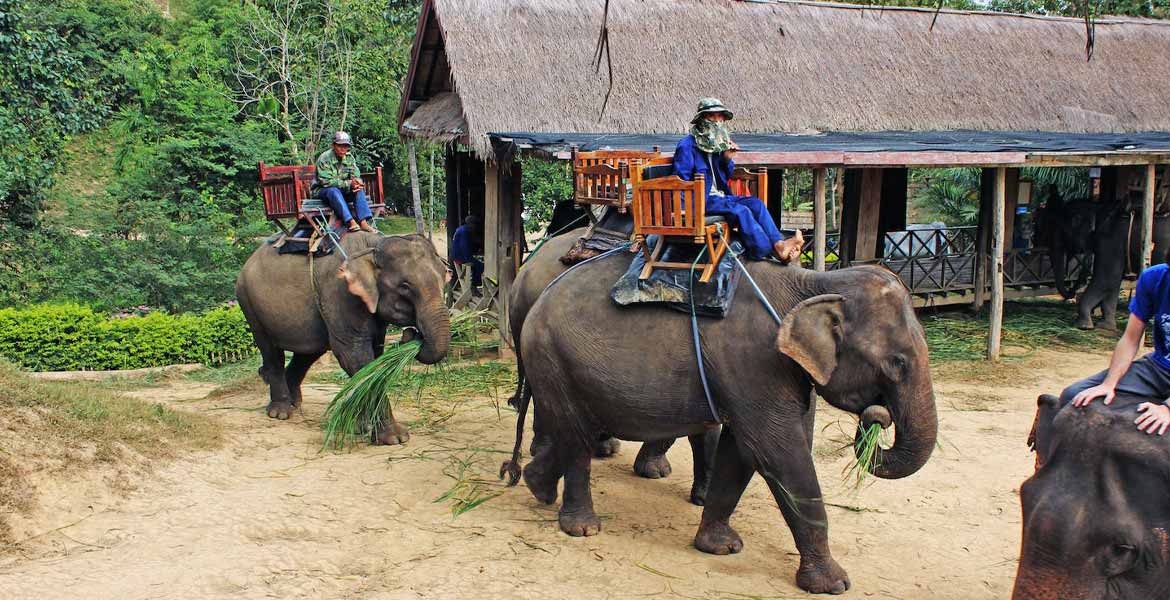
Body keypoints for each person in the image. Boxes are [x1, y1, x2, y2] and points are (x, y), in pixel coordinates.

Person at [672, 98, 803, 262]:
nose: (718, 121)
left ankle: (779, 244)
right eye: (713, 117)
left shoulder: (715, 145)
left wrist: (727, 159)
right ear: (702, 119)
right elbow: (679, 179)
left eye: (721, 117)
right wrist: (684, 208)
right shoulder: (686, 145)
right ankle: (765, 250)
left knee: (756, 204)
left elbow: (724, 176)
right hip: (697, 200)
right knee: (742, 211)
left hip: (717, 196)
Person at [1062, 263, 1170, 435]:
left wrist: (1167, 407)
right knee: (1072, 395)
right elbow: (1130, 339)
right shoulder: (1154, 278)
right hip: (1159, 368)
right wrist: (1108, 384)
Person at [312, 131, 376, 233]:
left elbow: (355, 174)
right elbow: (326, 182)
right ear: (333, 145)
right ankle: (350, 221)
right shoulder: (324, 158)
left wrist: (356, 182)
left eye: (346, 146)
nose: (343, 149)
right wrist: (349, 184)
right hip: (323, 191)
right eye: (340, 145)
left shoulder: (349, 158)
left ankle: (363, 222)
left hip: (342, 191)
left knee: (358, 189)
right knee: (333, 191)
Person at [450, 215, 484, 290]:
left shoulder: (461, 229)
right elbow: (464, 247)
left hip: (456, 255)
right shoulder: (465, 232)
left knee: (477, 264)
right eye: (475, 225)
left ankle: (474, 285)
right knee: (480, 266)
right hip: (459, 258)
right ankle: (474, 287)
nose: (475, 227)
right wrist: (470, 259)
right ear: (471, 224)